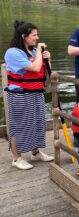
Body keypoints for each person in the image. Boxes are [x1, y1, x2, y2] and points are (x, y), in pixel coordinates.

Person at [4, 21, 54, 170]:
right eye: (34, 35)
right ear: (24, 36)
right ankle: (16, 157)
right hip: (20, 94)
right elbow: (34, 67)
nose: (37, 38)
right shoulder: (13, 52)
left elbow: (43, 73)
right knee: (19, 125)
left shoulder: (32, 52)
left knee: (38, 123)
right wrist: (39, 52)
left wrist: (48, 59)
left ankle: (36, 152)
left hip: (36, 92)